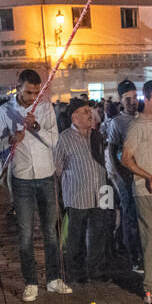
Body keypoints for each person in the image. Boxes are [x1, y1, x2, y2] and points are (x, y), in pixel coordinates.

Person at [0, 68, 69, 300]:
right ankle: (31, 282)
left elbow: (55, 140)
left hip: (46, 175)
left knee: (50, 232)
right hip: (22, 178)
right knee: (25, 233)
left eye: (37, 92)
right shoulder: (5, 111)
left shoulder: (45, 108)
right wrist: (9, 139)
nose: (33, 97)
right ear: (18, 87)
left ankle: (54, 278)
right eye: (28, 92)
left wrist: (36, 127)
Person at [119, 79, 152, 293]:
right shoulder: (136, 126)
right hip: (146, 191)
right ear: (146, 100)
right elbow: (125, 159)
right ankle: (151, 287)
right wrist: (148, 176)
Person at [53, 98, 112, 284]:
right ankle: (75, 273)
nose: (90, 114)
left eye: (90, 111)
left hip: (102, 192)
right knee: (75, 237)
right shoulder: (64, 139)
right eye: (85, 111)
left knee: (99, 233)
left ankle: (96, 269)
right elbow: (57, 169)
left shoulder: (97, 136)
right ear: (75, 117)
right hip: (77, 196)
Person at [102, 79, 142, 278]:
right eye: (128, 99)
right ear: (120, 100)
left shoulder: (143, 117)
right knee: (129, 214)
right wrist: (120, 176)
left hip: (142, 174)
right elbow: (111, 151)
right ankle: (132, 255)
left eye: (135, 97)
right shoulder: (118, 122)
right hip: (125, 177)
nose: (133, 102)